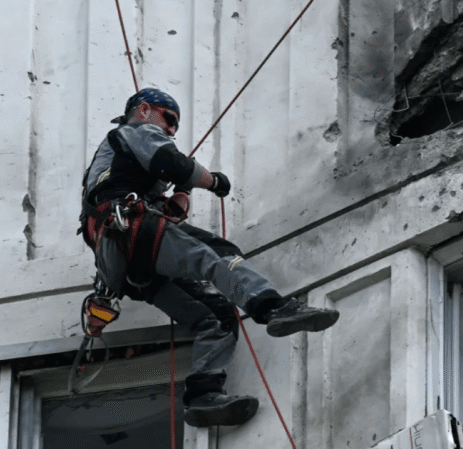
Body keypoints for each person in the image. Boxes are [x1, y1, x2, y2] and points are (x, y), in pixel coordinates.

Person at [80, 87, 339, 427]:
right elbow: (170, 162)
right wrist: (213, 181)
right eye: (169, 120)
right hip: (135, 232)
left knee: (215, 315)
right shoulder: (135, 131)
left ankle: (203, 395)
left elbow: (155, 186)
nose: (171, 130)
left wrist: (177, 198)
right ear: (144, 109)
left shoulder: (113, 165)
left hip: (127, 263)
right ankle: (272, 307)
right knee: (218, 253)